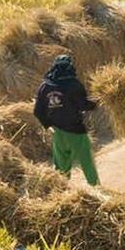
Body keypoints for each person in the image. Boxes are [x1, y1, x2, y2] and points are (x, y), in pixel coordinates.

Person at [33, 54, 100, 186]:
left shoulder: (44, 87)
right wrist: (96, 103)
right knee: (87, 162)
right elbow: (84, 105)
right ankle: (97, 189)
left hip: (58, 132)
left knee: (61, 166)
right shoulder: (74, 84)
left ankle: (61, 191)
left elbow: (37, 111)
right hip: (76, 131)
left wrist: (48, 125)